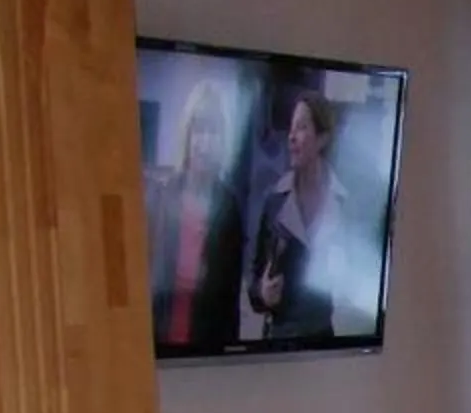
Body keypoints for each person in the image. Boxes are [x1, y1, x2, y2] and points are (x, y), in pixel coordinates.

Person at [243, 92, 353, 342]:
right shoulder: (274, 201)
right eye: (291, 129)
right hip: (279, 342)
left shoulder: (342, 204)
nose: (291, 137)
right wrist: (261, 292)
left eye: (302, 127)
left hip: (323, 341)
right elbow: (253, 280)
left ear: (322, 138)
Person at [146, 82, 246, 349]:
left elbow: (231, 302)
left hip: (206, 351)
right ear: (187, 135)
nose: (205, 141)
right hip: (157, 346)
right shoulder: (163, 196)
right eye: (199, 129)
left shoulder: (230, 206)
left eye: (214, 131)